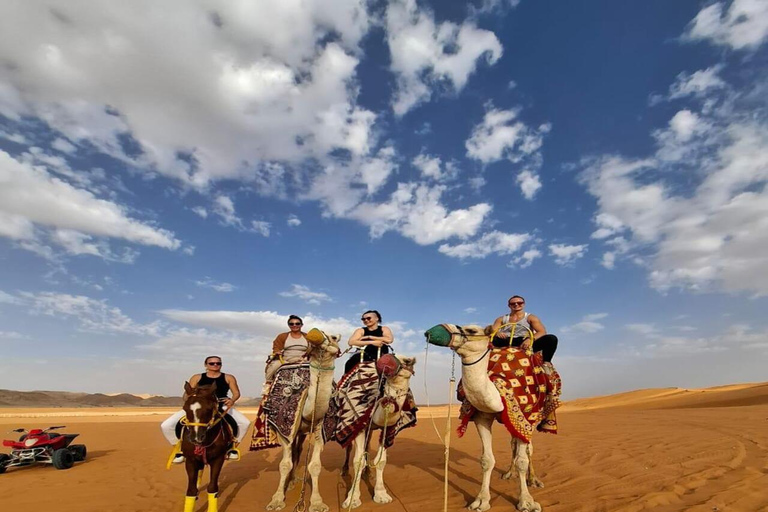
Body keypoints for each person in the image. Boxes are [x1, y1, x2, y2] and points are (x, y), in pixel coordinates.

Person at [160, 356, 251, 463]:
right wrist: (190, 399)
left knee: (245, 423)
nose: (215, 365)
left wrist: (232, 400)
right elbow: (187, 394)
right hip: (198, 406)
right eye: (212, 363)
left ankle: (232, 448)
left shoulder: (228, 377)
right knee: (166, 425)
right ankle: (179, 449)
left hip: (221, 405)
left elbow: (236, 393)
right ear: (206, 365)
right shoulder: (197, 377)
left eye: (218, 363)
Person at [490, 295, 558, 369]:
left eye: (519, 303)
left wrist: (530, 339)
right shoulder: (501, 319)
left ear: (523, 304)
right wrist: (497, 333)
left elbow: (542, 331)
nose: (516, 304)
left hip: (524, 341)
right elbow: (492, 330)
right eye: (513, 303)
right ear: (509, 306)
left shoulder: (531, 317)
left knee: (551, 338)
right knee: (487, 339)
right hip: (506, 340)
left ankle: (546, 362)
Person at [263, 315, 308, 394]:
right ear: (289, 325)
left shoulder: (307, 337)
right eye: (292, 324)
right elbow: (276, 347)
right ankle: (268, 385)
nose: (294, 325)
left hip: (304, 360)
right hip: (285, 360)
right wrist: (277, 351)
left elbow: (314, 348)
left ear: (301, 325)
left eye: (297, 323)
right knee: (273, 366)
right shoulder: (282, 336)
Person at [344, 310, 393, 374]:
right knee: (350, 363)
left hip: (382, 355)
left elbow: (389, 340)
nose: (366, 320)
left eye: (368, 318)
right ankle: (345, 381)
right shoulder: (360, 330)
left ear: (377, 318)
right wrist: (372, 342)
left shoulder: (384, 329)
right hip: (364, 354)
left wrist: (369, 337)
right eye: (363, 319)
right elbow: (351, 342)